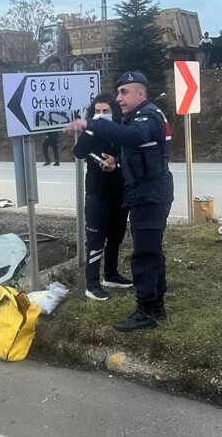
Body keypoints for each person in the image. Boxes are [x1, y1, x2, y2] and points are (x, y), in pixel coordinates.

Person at [65, 71, 174, 332]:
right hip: (146, 192)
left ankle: (146, 311)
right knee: (151, 250)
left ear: (141, 93)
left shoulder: (148, 115)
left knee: (145, 254)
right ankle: (156, 305)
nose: (119, 98)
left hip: (149, 195)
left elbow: (135, 138)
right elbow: (143, 153)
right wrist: (119, 162)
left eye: (124, 93)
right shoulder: (139, 116)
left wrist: (95, 122)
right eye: (118, 93)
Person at [73, 93, 133, 301]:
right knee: (96, 240)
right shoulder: (91, 132)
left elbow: (129, 153)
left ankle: (111, 274)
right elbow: (79, 152)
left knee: (116, 236)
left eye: (105, 111)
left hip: (120, 192)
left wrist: (116, 160)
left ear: (114, 112)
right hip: (97, 194)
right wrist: (90, 129)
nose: (101, 115)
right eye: (97, 111)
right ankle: (92, 284)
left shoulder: (122, 130)